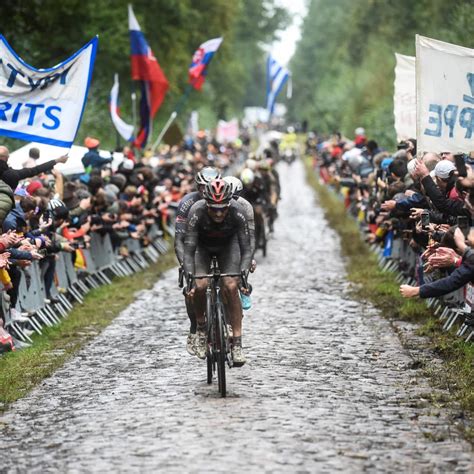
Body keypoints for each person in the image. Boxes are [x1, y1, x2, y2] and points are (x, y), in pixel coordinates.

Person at [184, 179, 252, 366]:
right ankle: (201, 328)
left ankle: (237, 344)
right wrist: (190, 277)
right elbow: (189, 249)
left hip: (228, 248)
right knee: (200, 284)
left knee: (230, 285)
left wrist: (243, 272)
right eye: (214, 208)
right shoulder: (196, 212)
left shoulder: (238, 212)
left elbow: (246, 248)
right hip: (201, 249)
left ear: (229, 203)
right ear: (206, 203)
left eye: (223, 208)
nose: (219, 212)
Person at [174, 166, 221, 356]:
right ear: (197, 187)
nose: (205, 192)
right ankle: (195, 327)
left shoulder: (227, 200)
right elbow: (179, 240)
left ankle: (224, 322)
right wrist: (186, 267)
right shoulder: (188, 203)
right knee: (193, 289)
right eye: (202, 188)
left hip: (220, 243)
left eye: (209, 187)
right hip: (196, 247)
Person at [0, 146, 68, 191]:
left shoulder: (12, 172)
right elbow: (34, 170)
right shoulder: (11, 174)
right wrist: (57, 160)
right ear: (6, 158)